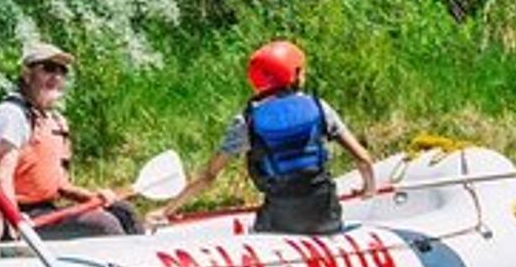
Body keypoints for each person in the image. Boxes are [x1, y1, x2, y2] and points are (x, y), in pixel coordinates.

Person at [152, 39, 376, 235]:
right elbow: (363, 159)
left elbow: (208, 177)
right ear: (294, 75)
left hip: (280, 219)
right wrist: (369, 188)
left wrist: (167, 210)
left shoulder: (247, 121)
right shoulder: (319, 108)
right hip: (326, 216)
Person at [0, 43, 141, 238]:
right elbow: (2, 176)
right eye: (48, 68)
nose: (57, 76)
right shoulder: (12, 115)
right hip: (19, 215)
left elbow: (61, 185)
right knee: (104, 224)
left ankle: (143, 263)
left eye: (62, 70)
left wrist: (95, 197)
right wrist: (14, 222)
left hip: (46, 211)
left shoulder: (54, 120)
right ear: (26, 74)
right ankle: (119, 266)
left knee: (124, 212)